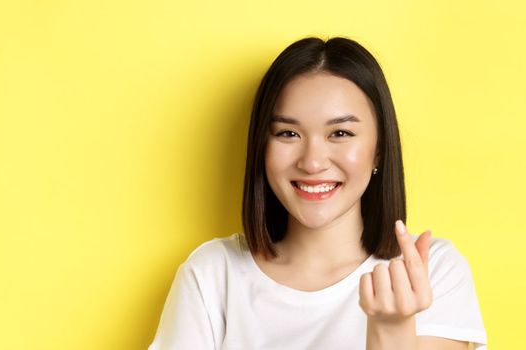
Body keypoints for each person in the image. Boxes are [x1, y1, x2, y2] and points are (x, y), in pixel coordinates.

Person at [149, 36, 487, 350]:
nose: (312, 162)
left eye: (340, 133)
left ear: (380, 149)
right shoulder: (212, 274)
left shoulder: (432, 273)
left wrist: (391, 329)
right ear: (262, 147)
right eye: (288, 133)